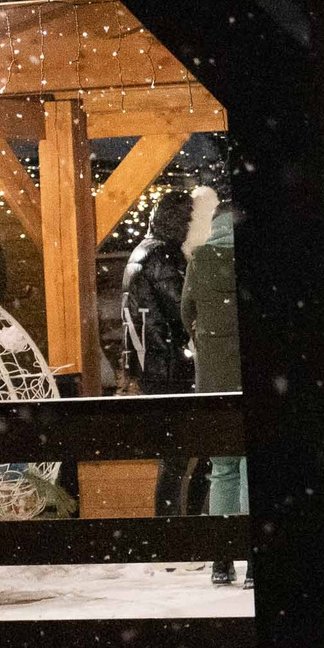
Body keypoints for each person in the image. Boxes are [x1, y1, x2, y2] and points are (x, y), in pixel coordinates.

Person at [180, 191, 248, 584]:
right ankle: (258, 561)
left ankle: (222, 561)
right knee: (253, 469)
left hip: (214, 381)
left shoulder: (201, 260)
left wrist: (205, 341)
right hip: (254, 378)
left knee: (221, 469)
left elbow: (186, 312)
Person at [119, 186, 197, 518]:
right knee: (181, 455)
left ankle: (170, 527)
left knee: (175, 453)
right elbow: (182, 307)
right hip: (167, 364)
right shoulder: (163, 257)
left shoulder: (141, 252)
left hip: (147, 362)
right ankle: (175, 527)